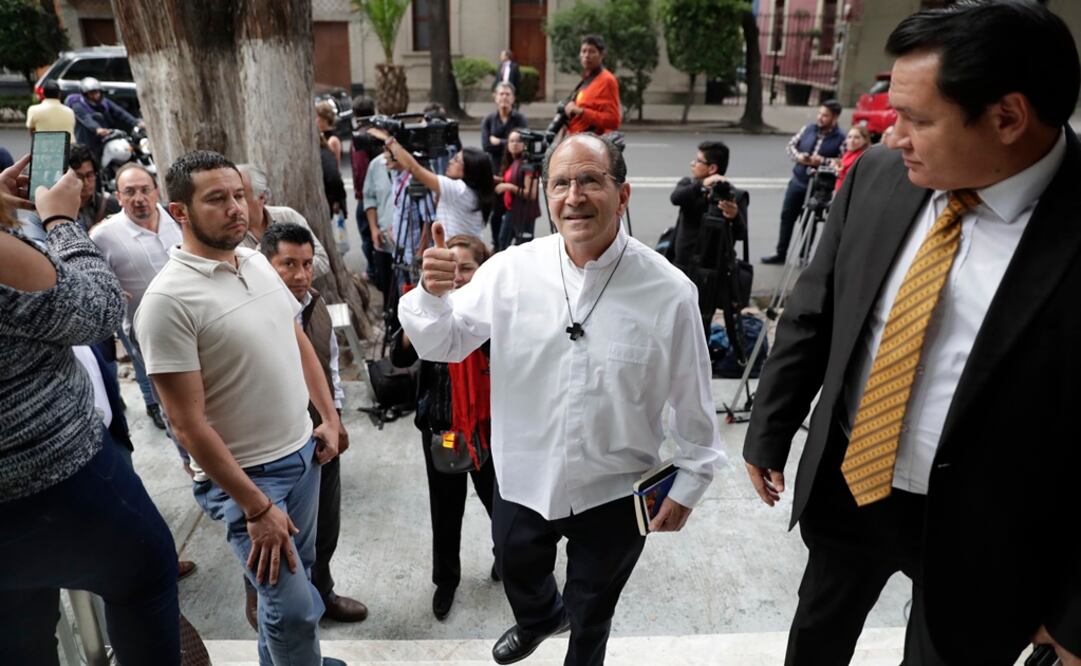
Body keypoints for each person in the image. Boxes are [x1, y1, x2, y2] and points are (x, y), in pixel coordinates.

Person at [742, 2, 1081, 664]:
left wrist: (1073, 612)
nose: (891, 136)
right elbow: (816, 308)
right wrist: (770, 425)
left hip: (989, 531)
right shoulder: (876, 176)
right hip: (850, 482)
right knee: (815, 634)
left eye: (916, 120)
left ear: (1007, 117)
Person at [399, 133, 723, 665]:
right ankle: (539, 617)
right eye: (560, 184)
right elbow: (446, 341)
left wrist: (691, 480)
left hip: (615, 490)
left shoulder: (669, 291)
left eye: (591, 180)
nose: (574, 196)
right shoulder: (510, 270)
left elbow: (694, 398)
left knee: (593, 609)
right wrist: (431, 298)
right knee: (518, 566)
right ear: (546, 197)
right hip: (524, 474)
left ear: (623, 194)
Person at [134, 150, 347, 666]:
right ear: (179, 211)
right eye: (217, 199)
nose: (236, 208)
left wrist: (329, 417)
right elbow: (187, 426)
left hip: (303, 456)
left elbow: (294, 335)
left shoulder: (254, 257)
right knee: (293, 607)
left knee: (298, 582)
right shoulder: (167, 302)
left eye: (238, 195)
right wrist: (255, 506)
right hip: (249, 480)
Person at [0, 156, 180, 664]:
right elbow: (95, 311)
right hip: (53, 478)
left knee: (18, 634)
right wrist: (60, 220)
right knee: (145, 575)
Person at [256, 222, 368, 626]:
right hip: (272, 446)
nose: (301, 275)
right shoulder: (248, 312)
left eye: (306, 264)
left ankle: (323, 594)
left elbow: (330, 365)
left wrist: (335, 420)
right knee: (276, 537)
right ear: (266, 265)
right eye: (288, 264)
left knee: (325, 528)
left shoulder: (317, 302)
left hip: (320, 434)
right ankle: (268, 606)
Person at [396, 233, 497, 621]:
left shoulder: (493, 312)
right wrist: (421, 316)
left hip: (489, 429)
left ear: (481, 272)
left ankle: (505, 559)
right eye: (449, 268)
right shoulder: (419, 306)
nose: (456, 277)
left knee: (501, 506)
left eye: (466, 268)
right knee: (446, 509)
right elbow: (398, 355)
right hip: (442, 428)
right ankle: (446, 581)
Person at [90, 164, 182, 434]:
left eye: (145, 190)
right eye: (129, 192)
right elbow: (90, 280)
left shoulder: (178, 219)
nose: (139, 198)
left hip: (200, 323)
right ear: (118, 197)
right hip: (149, 338)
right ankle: (190, 462)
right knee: (172, 405)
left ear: (156, 192)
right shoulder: (103, 236)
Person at [370, 126, 494, 241]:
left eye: (456, 160)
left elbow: (415, 169)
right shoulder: (477, 190)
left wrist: (389, 141)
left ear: (469, 170)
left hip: (456, 253)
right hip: (471, 249)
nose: (450, 161)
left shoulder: (457, 189)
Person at [760, 100, 845, 265]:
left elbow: (843, 161)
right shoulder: (808, 129)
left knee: (810, 221)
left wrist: (821, 161)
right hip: (798, 181)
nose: (820, 117)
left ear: (835, 118)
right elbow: (791, 146)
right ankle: (780, 253)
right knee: (787, 217)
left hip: (819, 187)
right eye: (820, 113)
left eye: (825, 115)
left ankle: (803, 257)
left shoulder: (841, 138)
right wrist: (799, 157)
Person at [235, 163, 330, 277]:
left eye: (239, 197)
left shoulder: (288, 217)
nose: (233, 205)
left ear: (262, 197)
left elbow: (322, 260)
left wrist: (291, 266)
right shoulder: (228, 234)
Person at [669, 140, 746, 267]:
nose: (692, 163)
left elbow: (741, 234)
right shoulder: (690, 185)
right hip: (684, 264)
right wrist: (701, 185)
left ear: (712, 168)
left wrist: (734, 216)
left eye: (698, 161)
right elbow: (675, 198)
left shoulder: (732, 195)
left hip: (716, 270)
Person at [481, 83, 528, 246]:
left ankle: (514, 245)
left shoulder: (520, 119)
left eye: (508, 94)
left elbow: (523, 143)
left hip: (516, 173)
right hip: (495, 173)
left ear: (513, 98)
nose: (504, 97)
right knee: (495, 215)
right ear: (495, 97)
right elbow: (486, 146)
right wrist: (509, 142)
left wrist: (499, 141)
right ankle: (497, 244)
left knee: (514, 213)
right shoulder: (488, 120)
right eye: (501, 94)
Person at [65, 76, 142, 162]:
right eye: (92, 93)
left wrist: (136, 122)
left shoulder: (104, 102)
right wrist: (97, 129)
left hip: (104, 138)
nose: (96, 95)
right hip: (87, 140)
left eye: (97, 92)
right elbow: (85, 118)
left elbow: (120, 112)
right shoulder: (77, 103)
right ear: (85, 94)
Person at [363, 143, 402, 299]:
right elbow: (369, 199)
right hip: (384, 240)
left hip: (409, 245)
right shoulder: (376, 164)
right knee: (388, 288)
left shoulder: (415, 167)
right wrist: (373, 229)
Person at [563, 35, 621, 137]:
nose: (586, 55)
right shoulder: (587, 78)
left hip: (591, 144)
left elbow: (613, 120)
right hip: (574, 138)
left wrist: (581, 112)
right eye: (583, 51)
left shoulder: (607, 80)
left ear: (602, 55)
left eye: (592, 51)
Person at [351, 95, 382, 280]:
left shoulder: (361, 137)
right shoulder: (377, 132)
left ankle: (373, 271)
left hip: (367, 196)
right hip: (379, 194)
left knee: (368, 235)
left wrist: (361, 194)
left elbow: (361, 168)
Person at [493, 129, 540, 250]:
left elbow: (531, 194)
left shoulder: (527, 164)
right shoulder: (513, 161)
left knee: (516, 245)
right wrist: (499, 180)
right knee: (503, 242)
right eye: (511, 141)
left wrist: (508, 187)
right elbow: (511, 179)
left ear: (525, 144)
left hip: (522, 212)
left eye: (519, 141)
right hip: (511, 210)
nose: (514, 144)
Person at [69, 143, 119, 231]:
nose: (85, 182)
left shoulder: (112, 205)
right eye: (79, 177)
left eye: (89, 175)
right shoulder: (59, 211)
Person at [833, 125, 871, 192]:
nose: (851, 141)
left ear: (865, 140)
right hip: (839, 191)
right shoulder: (847, 154)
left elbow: (851, 179)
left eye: (856, 137)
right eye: (849, 137)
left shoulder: (863, 158)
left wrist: (839, 171)